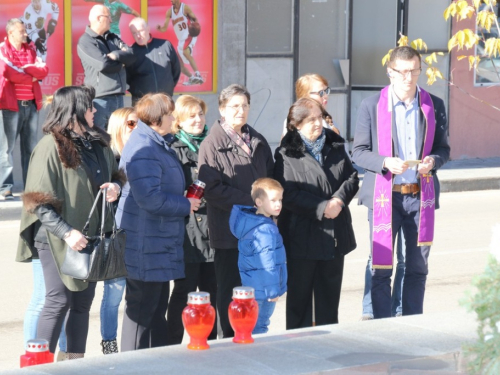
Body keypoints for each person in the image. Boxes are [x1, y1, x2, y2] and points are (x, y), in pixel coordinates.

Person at [16, 85, 125, 359]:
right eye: (89, 106)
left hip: (89, 237)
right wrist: (67, 233)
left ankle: (73, 362)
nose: (94, 110)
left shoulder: (97, 142)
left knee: (81, 304)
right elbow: (37, 201)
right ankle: (38, 363)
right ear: (74, 110)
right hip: (55, 237)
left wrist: (115, 188)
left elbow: (114, 176)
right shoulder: (49, 146)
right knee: (58, 300)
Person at [352, 46, 450, 319]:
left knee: (417, 266)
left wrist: (433, 161)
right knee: (382, 266)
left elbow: (444, 149)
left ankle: (411, 322)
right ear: (390, 72)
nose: (409, 77)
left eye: (414, 71)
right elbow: (358, 151)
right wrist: (384, 162)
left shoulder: (433, 105)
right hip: (386, 196)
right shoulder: (372, 105)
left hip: (420, 197)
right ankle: (383, 325)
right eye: (402, 72)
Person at [116, 93, 201, 351]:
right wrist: (186, 204)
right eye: (170, 114)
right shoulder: (144, 148)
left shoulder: (156, 142)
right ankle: (129, 369)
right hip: (145, 245)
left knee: (154, 313)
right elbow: (150, 199)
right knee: (142, 314)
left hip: (156, 243)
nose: (174, 118)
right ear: (156, 119)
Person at [274, 97, 359, 329]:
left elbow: (351, 178)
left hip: (334, 235)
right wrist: (323, 208)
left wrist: (339, 201)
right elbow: (288, 193)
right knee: (299, 303)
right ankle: (298, 350)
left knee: (329, 303)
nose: (318, 124)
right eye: (311, 120)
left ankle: (329, 348)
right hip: (302, 237)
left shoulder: (335, 145)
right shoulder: (285, 153)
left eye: (320, 117)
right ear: (296, 124)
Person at [198, 84, 274, 338]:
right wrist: (252, 201)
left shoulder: (258, 141)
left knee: (255, 291)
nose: (240, 111)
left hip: (259, 232)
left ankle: (251, 336)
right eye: (234, 106)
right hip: (229, 232)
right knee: (230, 291)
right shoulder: (211, 144)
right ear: (222, 109)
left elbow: (272, 179)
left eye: (244, 106)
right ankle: (228, 343)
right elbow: (212, 189)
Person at [165, 95, 217, 345]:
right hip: (187, 231)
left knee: (214, 293)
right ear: (178, 122)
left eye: (200, 114)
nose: (198, 120)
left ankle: (213, 343)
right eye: (191, 116)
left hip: (215, 229)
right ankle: (173, 344)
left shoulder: (213, 143)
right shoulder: (173, 149)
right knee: (184, 292)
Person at [98, 106, 137, 354]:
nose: (136, 129)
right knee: (113, 295)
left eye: (139, 124)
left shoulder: (144, 153)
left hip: (139, 234)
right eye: (131, 124)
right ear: (118, 127)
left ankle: (132, 341)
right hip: (114, 235)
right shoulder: (108, 158)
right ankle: (109, 343)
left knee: (137, 295)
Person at [229, 178, 287, 334]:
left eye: (280, 200)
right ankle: (255, 356)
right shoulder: (265, 229)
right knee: (259, 326)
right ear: (259, 202)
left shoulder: (251, 223)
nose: (278, 204)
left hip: (253, 287)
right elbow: (266, 262)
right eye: (273, 200)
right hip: (264, 291)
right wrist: (273, 290)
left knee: (251, 325)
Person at [0, 18, 48, 200]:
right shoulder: (2, 50)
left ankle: (30, 187)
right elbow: (7, 72)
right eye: (21, 31)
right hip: (11, 107)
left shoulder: (31, 49)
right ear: (10, 32)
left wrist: (25, 70)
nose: (25, 34)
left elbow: (43, 70)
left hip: (32, 106)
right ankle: (5, 187)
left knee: (30, 148)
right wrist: (31, 75)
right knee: (6, 148)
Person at [77, 4, 135, 129]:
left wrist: (115, 54)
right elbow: (103, 65)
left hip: (119, 96)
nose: (111, 20)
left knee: (118, 137)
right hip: (100, 100)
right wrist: (122, 62)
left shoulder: (113, 37)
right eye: (108, 16)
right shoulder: (86, 41)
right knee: (100, 139)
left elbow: (131, 55)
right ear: (99, 18)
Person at [126, 17, 180, 103]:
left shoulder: (165, 45)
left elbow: (176, 69)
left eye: (140, 31)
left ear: (148, 29)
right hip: (143, 103)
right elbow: (127, 78)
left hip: (165, 100)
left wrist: (169, 87)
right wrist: (137, 92)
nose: (138, 36)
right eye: (134, 33)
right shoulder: (131, 52)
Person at [156, 0, 203, 86]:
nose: (171, 1)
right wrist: (160, 29)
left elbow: (195, 19)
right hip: (181, 40)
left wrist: (196, 26)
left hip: (189, 35)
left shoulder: (185, 8)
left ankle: (198, 75)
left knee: (186, 52)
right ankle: (192, 78)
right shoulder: (169, 12)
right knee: (179, 64)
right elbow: (164, 28)